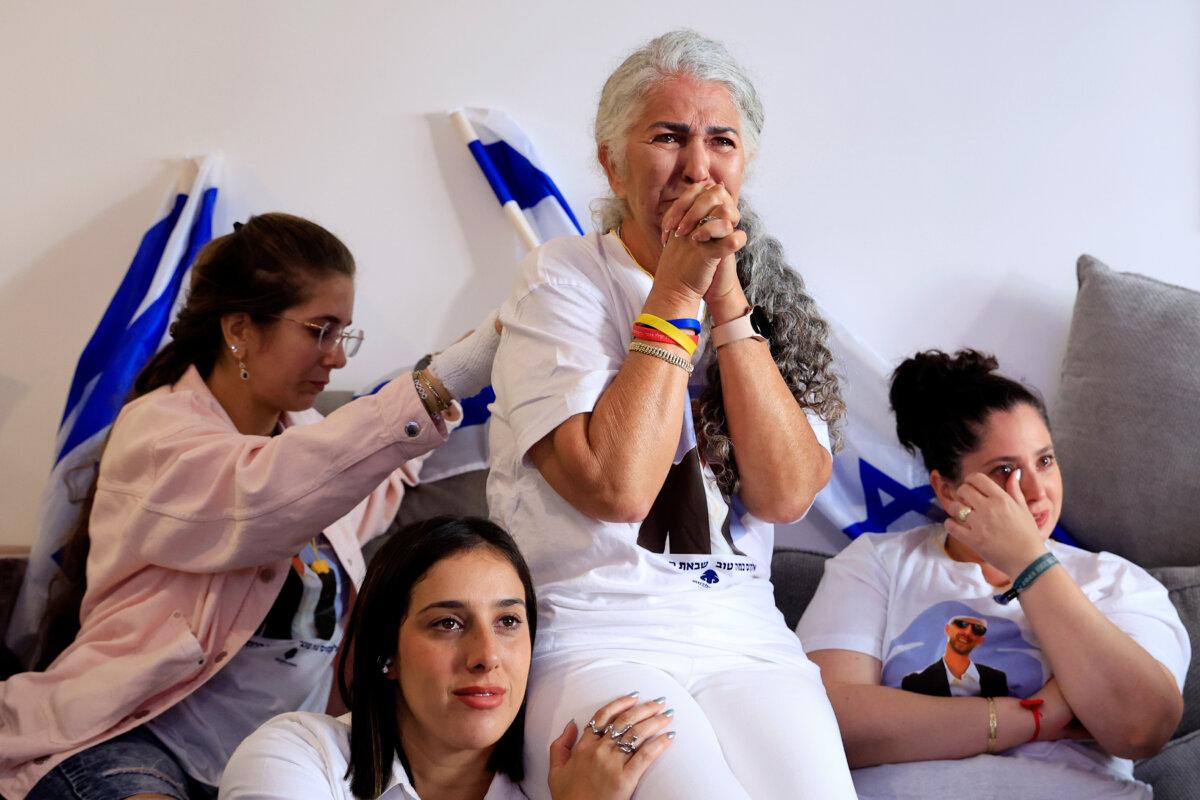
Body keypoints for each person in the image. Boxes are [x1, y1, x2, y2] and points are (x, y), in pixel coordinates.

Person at [0, 213, 501, 800]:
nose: (337, 358)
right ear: (239, 329)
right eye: (321, 330)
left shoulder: (312, 439)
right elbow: (267, 496)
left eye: (345, 334)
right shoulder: (157, 433)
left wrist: (488, 365)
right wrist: (434, 386)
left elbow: (364, 476)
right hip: (129, 739)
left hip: (278, 756)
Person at [486, 30, 856, 800]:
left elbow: (786, 494)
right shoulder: (560, 281)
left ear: (743, 164)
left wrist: (726, 304)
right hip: (594, 633)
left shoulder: (768, 298)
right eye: (667, 137)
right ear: (612, 163)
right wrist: (679, 294)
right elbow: (617, 489)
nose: (696, 166)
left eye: (720, 141)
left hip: (748, 641)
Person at [796, 349, 1189, 800]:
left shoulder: (1117, 582)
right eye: (1005, 470)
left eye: (1044, 461)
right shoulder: (876, 563)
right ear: (946, 488)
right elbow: (826, 724)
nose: (1037, 491)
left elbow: (1142, 729)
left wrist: (1029, 563)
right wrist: (1043, 714)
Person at [221, 515, 675, 800]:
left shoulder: (570, 780)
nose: (486, 657)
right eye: (448, 624)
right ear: (386, 653)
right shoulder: (294, 755)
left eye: (508, 622)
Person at [900, 615, 1009, 698]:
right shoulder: (916, 682)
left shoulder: (996, 679)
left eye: (977, 629)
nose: (967, 632)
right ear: (947, 629)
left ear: (980, 640)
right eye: (961, 624)